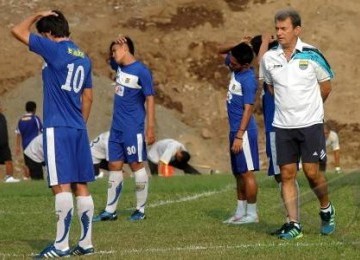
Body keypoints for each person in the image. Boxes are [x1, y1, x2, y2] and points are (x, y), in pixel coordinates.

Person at [11, 10, 95, 257]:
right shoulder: (83, 57)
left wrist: (37, 14)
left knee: (60, 186)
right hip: (78, 127)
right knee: (81, 185)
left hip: (57, 127)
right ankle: (86, 243)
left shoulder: (53, 49)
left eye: (43, 35)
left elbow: (16, 31)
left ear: (48, 34)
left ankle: (61, 246)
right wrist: (79, 122)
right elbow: (88, 97)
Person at [260, 8, 335, 239]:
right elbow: (270, 87)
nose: (279, 33)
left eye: (284, 28)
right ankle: (294, 224)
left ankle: (326, 209)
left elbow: (326, 86)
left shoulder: (313, 54)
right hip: (282, 125)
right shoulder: (269, 58)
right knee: (287, 175)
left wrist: (310, 107)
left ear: (297, 30)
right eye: (277, 28)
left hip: (310, 124)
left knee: (312, 174)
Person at [93, 36, 155, 222]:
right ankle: (110, 211)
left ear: (126, 48)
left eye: (115, 50)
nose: (113, 54)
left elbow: (150, 98)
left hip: (132, 128)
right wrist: (112, 44)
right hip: (116, 128)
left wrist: (150, 127)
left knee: (136, 165)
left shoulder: (142, 71)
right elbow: (108, 60)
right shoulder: (119, 67)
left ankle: (140, 211)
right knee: (114, 165)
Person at [251, 34, 300, 233]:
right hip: (278, 129)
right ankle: (291, 219)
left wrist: (262, 43)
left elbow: (262, 61)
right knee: (284, 177)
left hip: (277, 129)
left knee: (285, 177)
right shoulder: (275, 69)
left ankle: (292, 221)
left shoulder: (274, 68)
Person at [218, 41, 259, 224]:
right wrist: (238, 44)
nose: (230, 64)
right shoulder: (236, 68)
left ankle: (252, 214)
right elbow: (220, 51)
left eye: (233, 63)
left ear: (245, 65)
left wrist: (240, 135)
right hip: (234, 131)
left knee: (247, 173)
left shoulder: (248, 79)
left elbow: (248, 109)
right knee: (238, 173)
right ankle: (240, 212)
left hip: (244, 133)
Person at [15, 101, 43, 180]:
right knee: (37, 167)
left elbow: (18, 133)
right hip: (34, 148)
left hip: (25, 147)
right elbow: (41, 130)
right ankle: (38, 180)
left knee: (28, 166)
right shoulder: (35, 118)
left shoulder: (21, 120)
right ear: (34, 109)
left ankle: (29, 179)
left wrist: (17, 147)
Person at [0, 101, 20, 183]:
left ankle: (9, 177)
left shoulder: (2, 117)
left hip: (4, 143)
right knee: (7, 160)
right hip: (2, 143)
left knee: (8, 160)